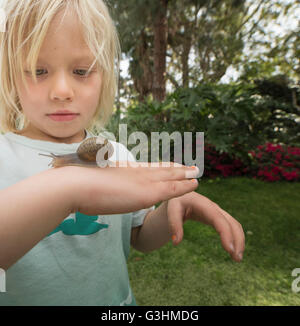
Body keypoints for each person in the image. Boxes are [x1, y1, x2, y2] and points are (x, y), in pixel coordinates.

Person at [0, 0, 245, 306]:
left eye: (81, 70)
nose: (61, 90)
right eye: (38, 70)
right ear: (11, 77)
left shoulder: (115, 154)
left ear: (104, 77)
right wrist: (69, 188)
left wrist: (173, 209)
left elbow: (139, 236)